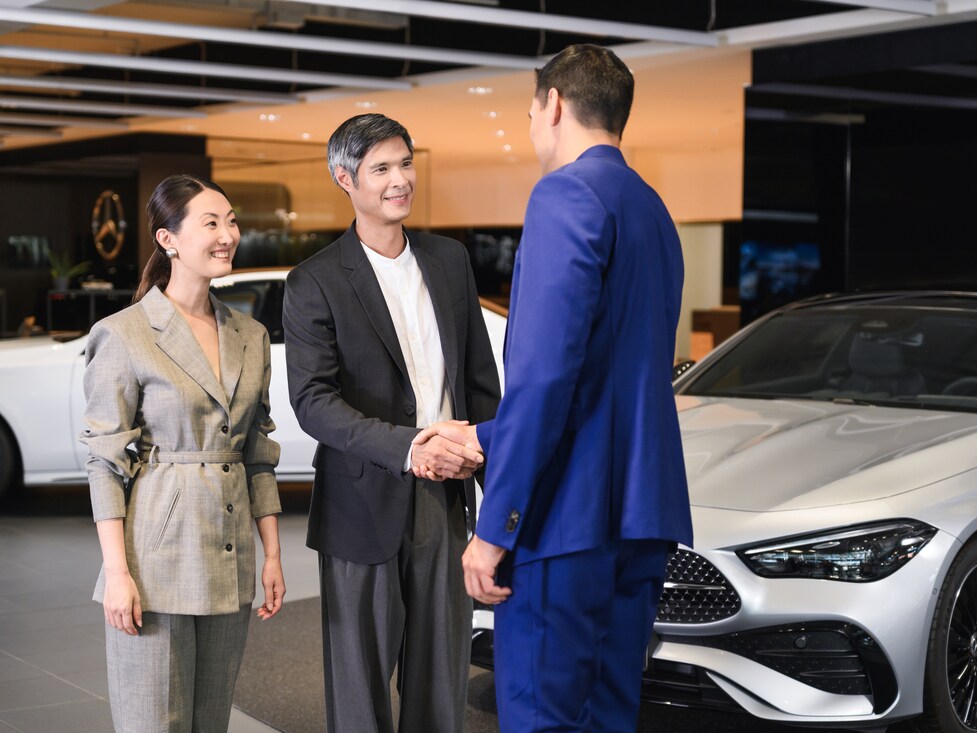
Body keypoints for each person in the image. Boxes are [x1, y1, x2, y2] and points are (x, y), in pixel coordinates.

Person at [415, 44, 693, 732]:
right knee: (608, 714)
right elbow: (613, 374)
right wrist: (479, 433)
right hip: (642, 517)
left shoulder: (564, 193)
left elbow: (546, 377)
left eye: (530, 110)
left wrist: (494, 525)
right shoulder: (652, 210)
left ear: (555, 106)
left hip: (566, 520)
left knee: (543, 716)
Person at [282, 113, 501, 733]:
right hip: (361, 501)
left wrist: (502, 491)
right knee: (361, 688)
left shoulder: (449, 260)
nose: (400, 180)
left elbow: (481, 384)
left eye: (406, 163)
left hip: (446, 498)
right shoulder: (314, 280)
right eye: (381, 168)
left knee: (441, 681)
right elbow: (314, 401)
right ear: (344, 178)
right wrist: (410, 448)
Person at [80, 174, 285, 733]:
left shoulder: (251, 334)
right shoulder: (124, 334)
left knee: (209, 720)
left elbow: (258, 452)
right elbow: (104, 461)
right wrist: (118, 573)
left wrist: (270, 553)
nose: (228, 235)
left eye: (232, 221)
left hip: (229, 548)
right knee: (154, 722)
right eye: (211, 223)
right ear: (167, 239)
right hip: (155, 555)